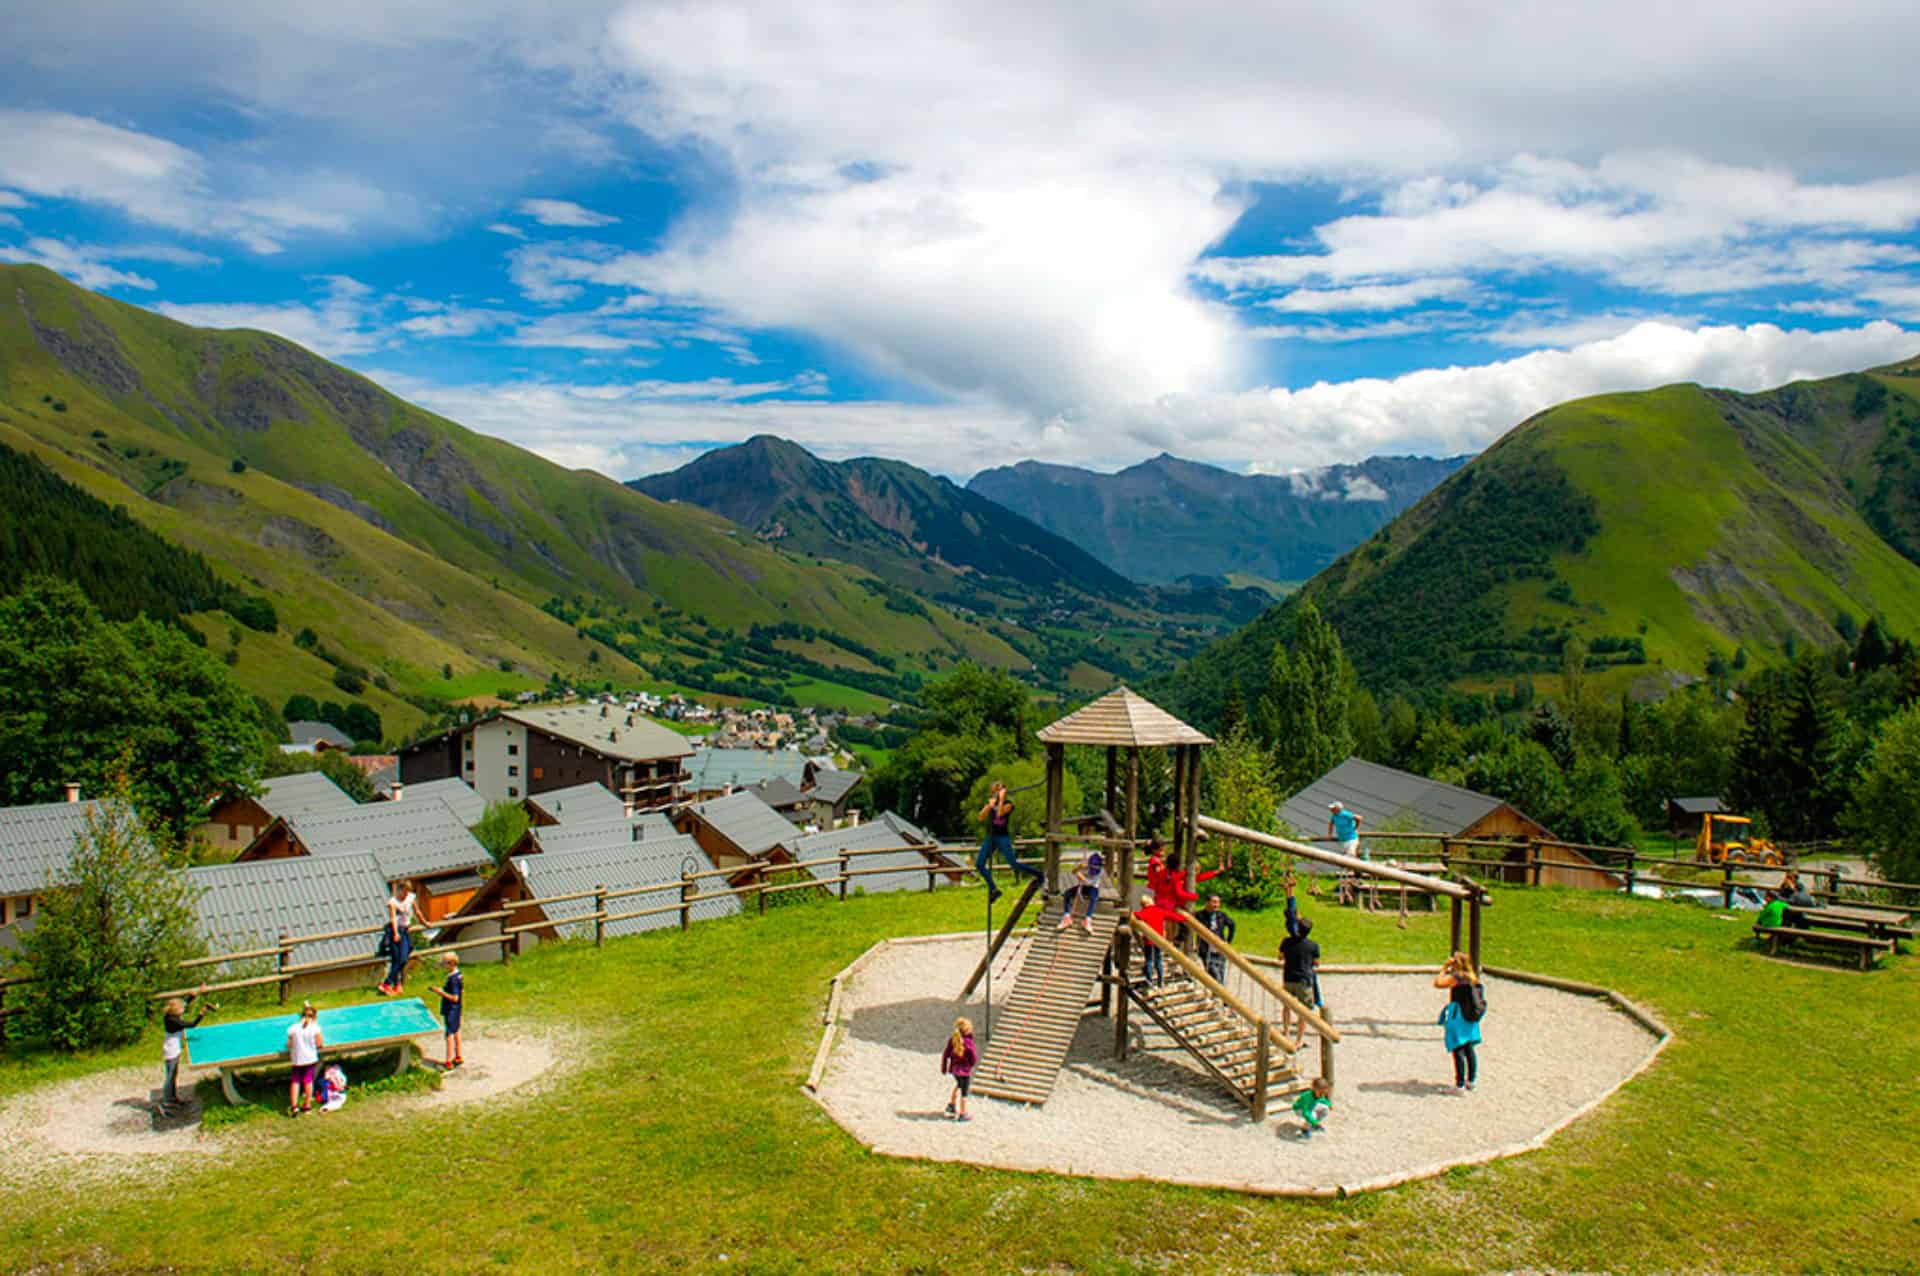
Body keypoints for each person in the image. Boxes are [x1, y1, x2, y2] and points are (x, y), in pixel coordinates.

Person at [974, 781, 1041, 902]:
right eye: (994, 791)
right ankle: (994, 889)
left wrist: (1000, 800)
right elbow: (980, 817)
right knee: (979, 864)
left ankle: (1038, 874)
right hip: (990, 837)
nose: (995, 793)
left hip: (1002, 837)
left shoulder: (1009, 804)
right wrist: (989, 806)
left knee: (1013, 864)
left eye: (998, 790)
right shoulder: (991, 803)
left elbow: (1000, 814)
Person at [158, 984, 214, 1116]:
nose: (183, 1010)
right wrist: (201, 1013)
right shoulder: (173, 1021)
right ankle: (166, 1103)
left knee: (173, 1074)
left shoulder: (171, 1015)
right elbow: (192, 1025)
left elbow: (186, 1001)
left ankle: (173, 1099)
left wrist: (198, 991)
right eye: (181, 1009)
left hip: (174, 1049)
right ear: (176, 1011)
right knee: (170, 1076)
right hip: (171, 1051)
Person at [1279, 873, 1321, 1039]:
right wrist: (1289, 890)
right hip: (1303, 978)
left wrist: (1290, 890)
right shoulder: (1311, 944)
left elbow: (1292, 909)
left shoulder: (1287, 941)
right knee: (1303, 1010)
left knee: (1287, 1006)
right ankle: (1299, 1038)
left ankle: (1286, 1031)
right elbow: (1292, 910)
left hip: (1289, 977)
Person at [1434, 953, 1483, 1092]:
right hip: (1470, 1016)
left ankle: (1459, 1084)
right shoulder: (1472, 977)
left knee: (1458, 1048)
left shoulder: (1457, 978)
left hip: (1458, 1016)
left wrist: (1444, 968)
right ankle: (1471, 1081)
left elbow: (1437, 983)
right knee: (1469, 1048)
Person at [379, 880, 420, 996]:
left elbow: (417, 911)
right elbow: (393, 918)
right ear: (400, 890)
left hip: (406, 930)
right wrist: (396, 933)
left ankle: (391, 984)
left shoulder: (411, 897)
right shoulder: (393, 902)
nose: (406, 895)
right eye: (404, 892)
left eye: (407, 892)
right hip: (397, 931)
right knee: (398, 959)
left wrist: (425, 922)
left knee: (404, 958)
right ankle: (389, 984)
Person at [286, 1001, 324, 1117]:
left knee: (295, 1081)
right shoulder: (316, 1028)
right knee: (308, 1081)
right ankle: (307, 1105)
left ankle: (294, 1107)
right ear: (314, 1017)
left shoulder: (292, 1028)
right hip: (310, 1059)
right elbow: (319, 1044)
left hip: (297, 1059)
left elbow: (289, 1045)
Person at [428, 951, 464, 1070]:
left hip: (451, 1009)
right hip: (457, 1009)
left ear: (451, 963)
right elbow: (461, 992)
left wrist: (440, 992)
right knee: (457, 1031)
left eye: (445, 963)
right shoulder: (458, 975)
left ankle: (448, 1061)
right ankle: (458, 1056)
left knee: (449, 1035)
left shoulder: (453, 979)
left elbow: (455, 997)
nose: (444, 966)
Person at [1057, 849, 1103, 934]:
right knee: (1067, 893)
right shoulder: (1085, 866)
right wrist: (1078, 868)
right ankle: (1067, 917)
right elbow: (1073, 871)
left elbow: (1089, 883)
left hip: (1092, 887)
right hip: (1082, 886)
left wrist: (1082, 877)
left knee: (1094, 898)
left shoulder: (1100, 871)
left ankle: (1087, 919)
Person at [940, 1016, 977, 1122]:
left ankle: (951, 1104)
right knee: (964, 1093)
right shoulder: (968, 1042)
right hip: (964, 1071)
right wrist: (971, 1064)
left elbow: (945, 1054)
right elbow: (973, 1057)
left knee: (959, 1085)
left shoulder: (953, 1039)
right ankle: (963, 1113)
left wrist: (944, 1067)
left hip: (955, 1070)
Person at [1195, 894, 1236, 981]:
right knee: (1214, 975)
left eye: (1218, 902)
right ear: (1207, 903)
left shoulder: (1221, 915)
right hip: (1206, 949)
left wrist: (1228, 941)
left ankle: (1219, 988)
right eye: (1214, 902)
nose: (1217, 905)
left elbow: (1232, 924)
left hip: (1220, 949)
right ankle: (1219, 988)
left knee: (1221, 972)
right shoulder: (1199, 915)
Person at [1291, 1075, 1332, 1139]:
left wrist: (1328, 1104)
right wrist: (1314, 1121)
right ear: (1314, 1089)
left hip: (1312, 1106)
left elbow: (1322, 1099)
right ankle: (1304, 1130)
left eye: (1324, 1093)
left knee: (1325, 1109)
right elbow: (1306, 1112)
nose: (1322, 1095)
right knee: (1312, 1115)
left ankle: (1313, 1124)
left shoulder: (1318, 1094)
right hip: (1299, 1109)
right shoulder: (1307, 1097)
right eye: (1320, 1093)